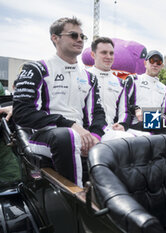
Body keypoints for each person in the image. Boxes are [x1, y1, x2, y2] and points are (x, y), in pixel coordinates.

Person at [12, 17, 106, 187]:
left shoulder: (90, 77)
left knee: (127, 138)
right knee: (67, 136)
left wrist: (95, 135)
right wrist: (68, 124)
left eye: (82, 36)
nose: (79, 40)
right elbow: (21, 113)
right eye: (73, 35)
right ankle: (77, 202)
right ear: (55, 38)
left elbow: (98, 113)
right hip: (45, 135)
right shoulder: (36, 68)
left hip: (81, 133)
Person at [88, 37, 133, 139]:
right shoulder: (84, 76)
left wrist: (122, 124)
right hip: (86, 131)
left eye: (111, 53)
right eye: (104, 52)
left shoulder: (121, 82)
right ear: (93, 54)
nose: (108, 56)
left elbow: (124, 111)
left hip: (111, 131)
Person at [126, 50, 166, 134]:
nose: (155, 64)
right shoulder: (134, 80)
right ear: (145, 63)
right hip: (133, 127)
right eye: (152, 61)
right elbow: (122, 104)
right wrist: (136, 109)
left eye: (159, 62)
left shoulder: (165, 89)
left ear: (162, 66)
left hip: (156, 128)